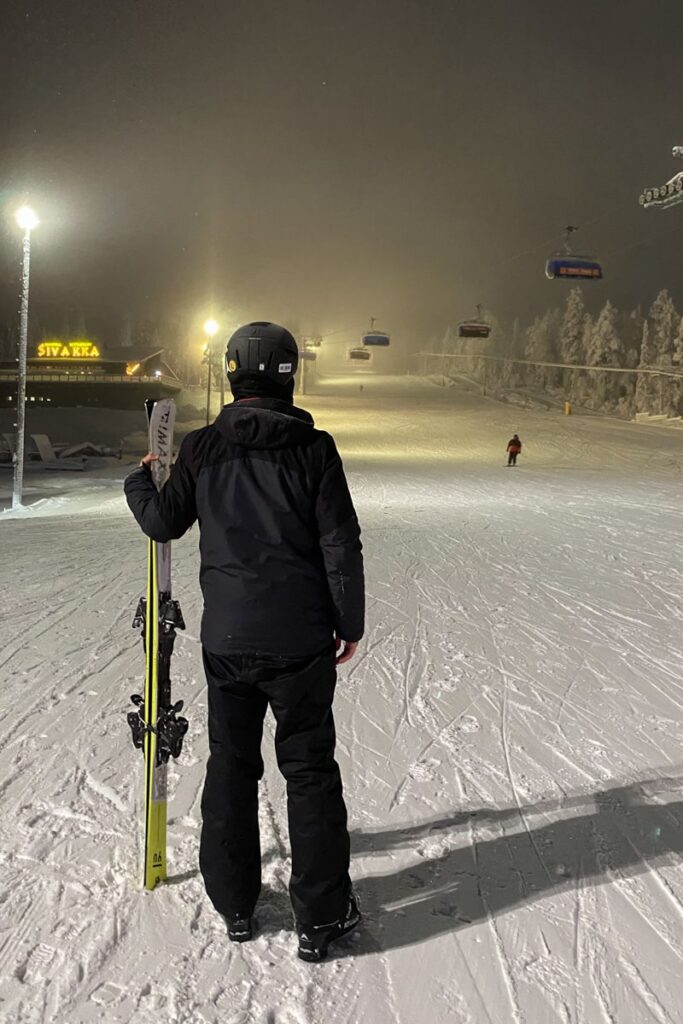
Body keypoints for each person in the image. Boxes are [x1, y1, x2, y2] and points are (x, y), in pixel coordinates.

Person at [124, 322, 365, 962]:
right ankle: (321, 916)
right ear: (291, 374)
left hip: (228, 641)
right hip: (301, 643)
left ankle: (235, 904)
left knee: (232, 765)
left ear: (233, 374)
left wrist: (140, 482)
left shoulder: (203, 449)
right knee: (309, 772)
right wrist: (350, 621)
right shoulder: (315, 450)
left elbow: (162, 521)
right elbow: (340, 542)